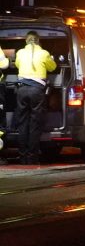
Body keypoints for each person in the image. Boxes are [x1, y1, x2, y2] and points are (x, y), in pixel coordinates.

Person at [13, 31, 57, 165]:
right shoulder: (44, 53)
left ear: (26, 41)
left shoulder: (20, 52)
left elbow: (17, 65)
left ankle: (22, 157)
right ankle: (32, 158)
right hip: (37, 91)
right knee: (35, 124)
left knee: (22, 124)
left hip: (22, 90)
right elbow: (53, 67)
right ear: (38, 41)